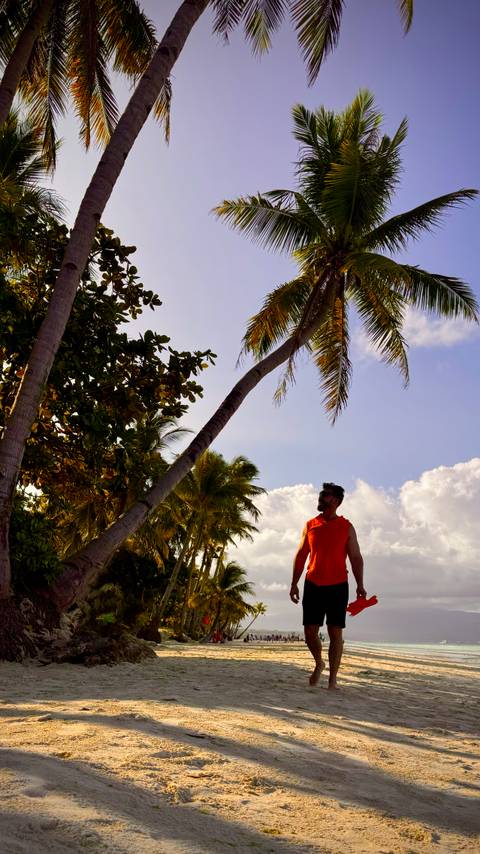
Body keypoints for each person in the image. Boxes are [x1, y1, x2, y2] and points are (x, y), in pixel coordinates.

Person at [290, 483, 366, 690]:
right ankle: (319, 663)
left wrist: (360, 584)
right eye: (321, 494)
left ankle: (332, 679)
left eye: (325, 495)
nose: (321, 497)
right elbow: (300, 555)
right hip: (313, 583)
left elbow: (356, 557)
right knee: (309, 632)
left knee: (335, 632)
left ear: (336, 501)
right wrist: (294, 583)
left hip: (338, 585)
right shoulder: (310, 524)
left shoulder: (346, 527)